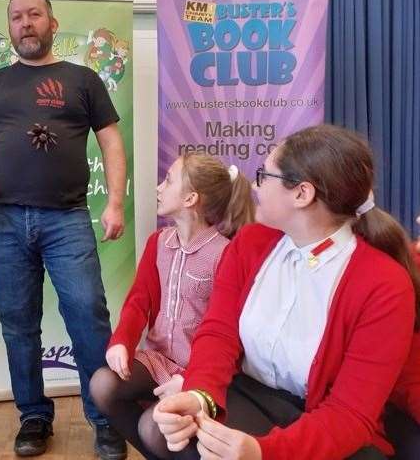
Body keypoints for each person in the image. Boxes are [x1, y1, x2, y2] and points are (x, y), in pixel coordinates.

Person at [0, 0, 127, 459]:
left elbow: (112, 144)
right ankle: (34, 418)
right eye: (17, 16)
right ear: (12, 26)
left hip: (68, 218)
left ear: (52, 23)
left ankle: (105, 419)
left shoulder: (83, 79)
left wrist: (116, 202)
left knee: (87, 315)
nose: (26, 23)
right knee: (19, 324)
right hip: (4, 221)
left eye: (35, 14)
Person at [152, 124, 419, 460]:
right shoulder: (249, 243)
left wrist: (263, 452)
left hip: (329, 426)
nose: (254, 184)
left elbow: (350, 415)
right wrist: (200, 394)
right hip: (249, 393)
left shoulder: (384, 285)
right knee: (170, 430)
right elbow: (219, 332)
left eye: (265, 175)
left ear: (302, 194)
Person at [89, 153, 255, 459]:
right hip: (157, 360)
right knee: (102, 385)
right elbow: (139, 300)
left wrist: (192, 380)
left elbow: (231, 332)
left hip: (198, 370)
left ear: (191, 198)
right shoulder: (158, 242)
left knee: (151, 427)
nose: (158, 187)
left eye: (168, 180)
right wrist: (121, 342)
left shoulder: (225, 254)